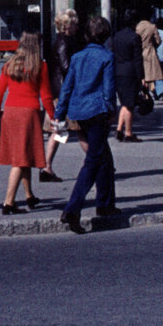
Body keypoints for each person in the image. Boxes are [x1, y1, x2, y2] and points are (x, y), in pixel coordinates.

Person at [55, 15, 118, 234]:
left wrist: (59, 114)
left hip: (78, 111)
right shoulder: (107, 57)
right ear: (106, 36)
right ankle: (73, 208)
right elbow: (109, 89)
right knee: (93, 160)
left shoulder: (78, 57)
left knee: (103, 157)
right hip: (97, 111)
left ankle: (105, 204)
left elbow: (67, 87)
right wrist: (111, 110)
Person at [0, 30, 55, 214]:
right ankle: (8, 202)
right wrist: (53, 116)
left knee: (22, 154)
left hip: (10, 112)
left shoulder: (10, 64)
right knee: (20, 160)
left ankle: (29, 195)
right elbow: (46, 96)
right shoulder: (40, 66)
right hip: (28, 113)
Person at [42, 10, 78, 183]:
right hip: (65, 93)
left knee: (58, 129)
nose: (77, 27)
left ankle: (47, 166)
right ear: (67, 26)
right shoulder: (64, 43)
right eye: (74, 24)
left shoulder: (60, 42)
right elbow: (67, 68)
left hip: (59, 91)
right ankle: (99, 161)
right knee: (79, 128)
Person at [111, 9, 145, 142]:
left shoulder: (117, 36)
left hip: (118, 71)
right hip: (130, 73)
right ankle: (128, 133)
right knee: (130, 103)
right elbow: (138, 59)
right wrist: (141, 77)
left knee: (124, 102)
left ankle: (119, 129)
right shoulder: (135, 37)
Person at [136, 15, 163, 100]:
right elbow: (158, 40)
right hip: (149, 52)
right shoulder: (152, 26)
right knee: (150, 74)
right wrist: (153, 45)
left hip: (138, 52)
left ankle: (143, 92)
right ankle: (149, 92)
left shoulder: (137, 27)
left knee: (141, 74)